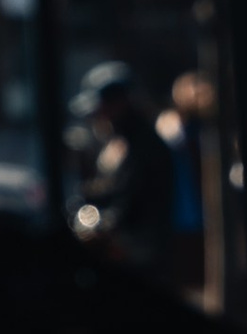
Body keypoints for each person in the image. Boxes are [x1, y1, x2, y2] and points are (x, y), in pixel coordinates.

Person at [75, 67, 179, 275]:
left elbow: (132, 201)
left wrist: (103, 226)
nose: (97, 116)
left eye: (103, 108)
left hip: (140, 254)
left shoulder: (143, 145)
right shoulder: (118, 142)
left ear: (120, 104)